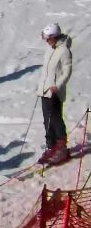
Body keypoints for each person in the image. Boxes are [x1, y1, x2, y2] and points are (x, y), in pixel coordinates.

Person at [39, 23, 73, 164]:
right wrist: (41, 86)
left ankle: (61, 148)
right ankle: (50, 145)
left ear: (54, 37)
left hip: (55, 91)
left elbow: (67, 72)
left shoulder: (64, 51)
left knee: (55, 119)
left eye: (48, 38)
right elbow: (46, 71)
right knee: (47, 119)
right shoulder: (50, 49)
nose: (46, 41)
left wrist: (57, 86)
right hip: (44, 90)